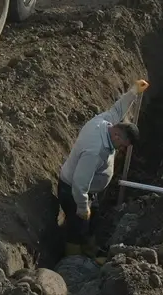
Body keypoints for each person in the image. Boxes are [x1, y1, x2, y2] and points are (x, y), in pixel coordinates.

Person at [57, 80, 149, 255]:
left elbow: (117, 110)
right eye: (122, 145)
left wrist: (133, 92)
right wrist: (82, 207)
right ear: (117, 135)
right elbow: (79, 183)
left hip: (88, 191)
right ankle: (72, 259)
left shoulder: (104, 123)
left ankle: (90, 250)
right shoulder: (95, 151)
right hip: (73, 192)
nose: (121, 149)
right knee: (77, 228)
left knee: (93, 220)